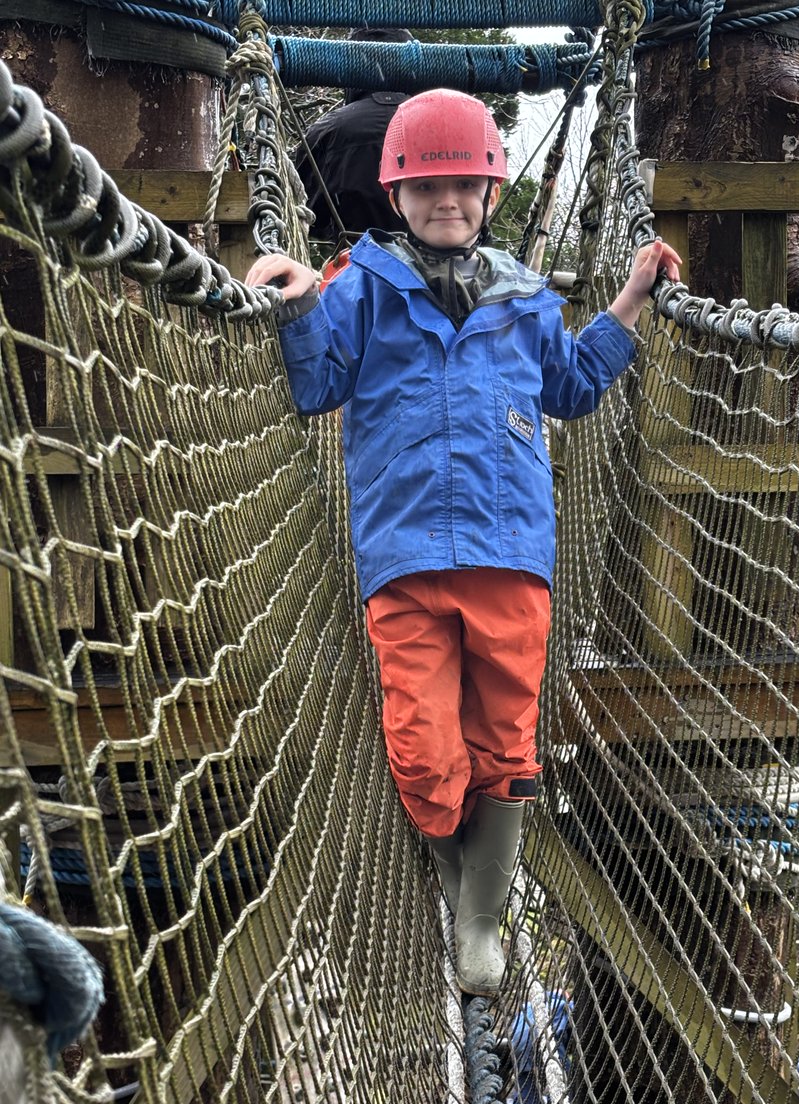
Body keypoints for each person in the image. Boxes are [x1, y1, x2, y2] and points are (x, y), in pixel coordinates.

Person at [246, 89, 681, 997]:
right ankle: (458, 881)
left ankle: (479, 920)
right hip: (402, 555)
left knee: (507, 740)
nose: (448, 202)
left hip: (511, 552)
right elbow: (317, 385)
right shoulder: (357, 286)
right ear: (396, 196)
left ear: (488, 192)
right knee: (423, 747)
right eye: (427, 187)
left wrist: (631, 301)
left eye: (465, 186)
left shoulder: (524, 299)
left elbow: (573, 386)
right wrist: (292, 306)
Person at [295, 27, 413, 243]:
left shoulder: (326, 131)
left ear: (350, 68)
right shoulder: (444, 126)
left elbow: (307, 213)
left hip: (356, 264)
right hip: (437, 265)